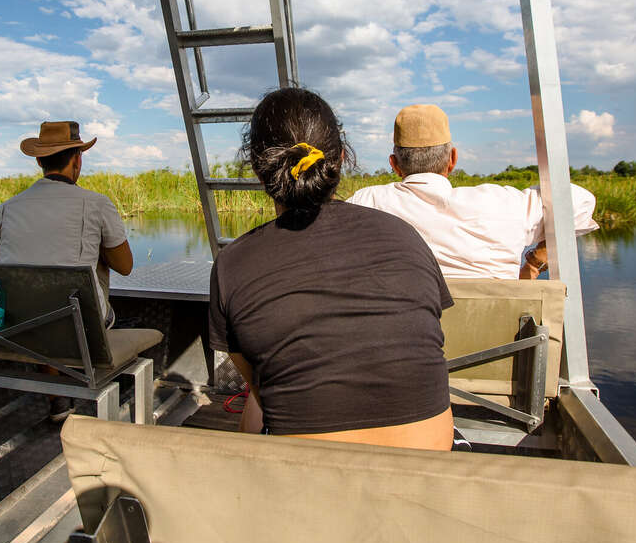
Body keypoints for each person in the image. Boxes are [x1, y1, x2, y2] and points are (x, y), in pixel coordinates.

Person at [209, 87, 455, 451]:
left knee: (256, 405)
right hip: (427, 474)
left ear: (260, 174)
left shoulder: (232, 264)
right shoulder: (405, 237)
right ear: (340, 158)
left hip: (311, 483)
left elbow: (260, 384)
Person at [348, 104, 598, 280]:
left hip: (405, 351)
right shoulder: (503, 203)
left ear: (394, 164)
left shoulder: (365, 203)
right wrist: (533, 262)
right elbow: (579, 201)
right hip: (499, 352)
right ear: (452, 159)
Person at [0, 120, 133, 328]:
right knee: (94, 255)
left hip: (18, 325)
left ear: (38, 160)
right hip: (79, 325)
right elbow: (125, 267)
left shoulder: (4, 210)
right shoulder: (96, 204)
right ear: (77, 159)